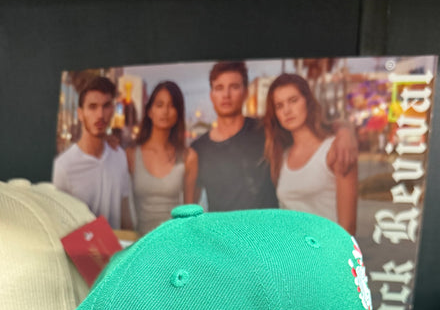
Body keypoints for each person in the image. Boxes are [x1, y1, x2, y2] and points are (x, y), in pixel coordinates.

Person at [192, 61, 357, 213]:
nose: (226, 95)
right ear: (211, 94)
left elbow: (310, 127)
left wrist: (345, 132)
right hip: (223, 235)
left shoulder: (267, 130)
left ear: (246, 92)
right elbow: (190, 208)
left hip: (269, 233)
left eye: (234, 87)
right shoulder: (198, 150)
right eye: (219, 88)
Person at [264, 73, 358, 235]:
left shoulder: (335, 149)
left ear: (307, 101)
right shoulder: (282, 156)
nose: (287, 110)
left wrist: (346, 130)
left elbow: (348, 228)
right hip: (291, 249)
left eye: (293, 100)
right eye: (279, 106)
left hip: (326, 248)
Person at [52, 76, 132, 230]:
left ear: (112, 110)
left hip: (118, 244)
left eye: (106, 106)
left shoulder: (119, 156)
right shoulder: (63, 167)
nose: (100, 114)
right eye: (92, 107)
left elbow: (125, 214)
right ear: (80, 113)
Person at [126, 81, 198, 236]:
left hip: (174, 241)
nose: (165, 111)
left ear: (178, 113)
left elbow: (189, 212)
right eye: (159, 105)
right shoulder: (131, 155)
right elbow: (123, 206)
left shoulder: (189, 157)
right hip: (139, 241)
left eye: (172, 106)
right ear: (150, 111)